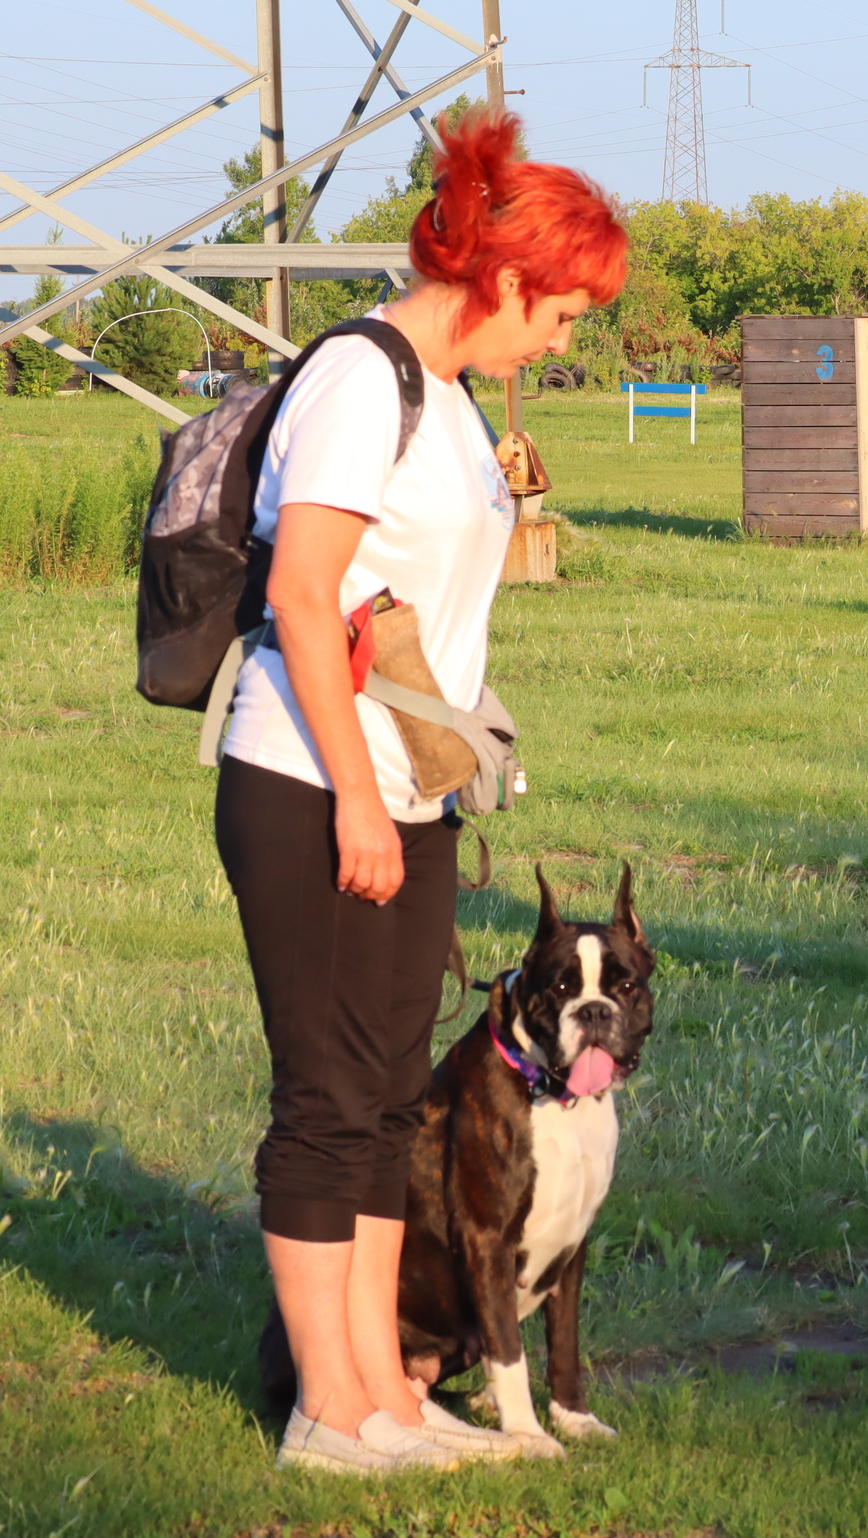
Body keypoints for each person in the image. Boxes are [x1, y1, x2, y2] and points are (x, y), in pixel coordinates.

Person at [213, 109, 628, 1474]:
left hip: (413, 793)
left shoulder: (448, 400)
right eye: (559, 315)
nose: (558, 342)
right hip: (309, 780)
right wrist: (353, 796)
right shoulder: (359, 377)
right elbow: (299, 592)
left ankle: (384, 1393)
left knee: (393, 1100)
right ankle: (325, 1409)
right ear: (504, 278)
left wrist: (440, 768)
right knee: (328, 1099)